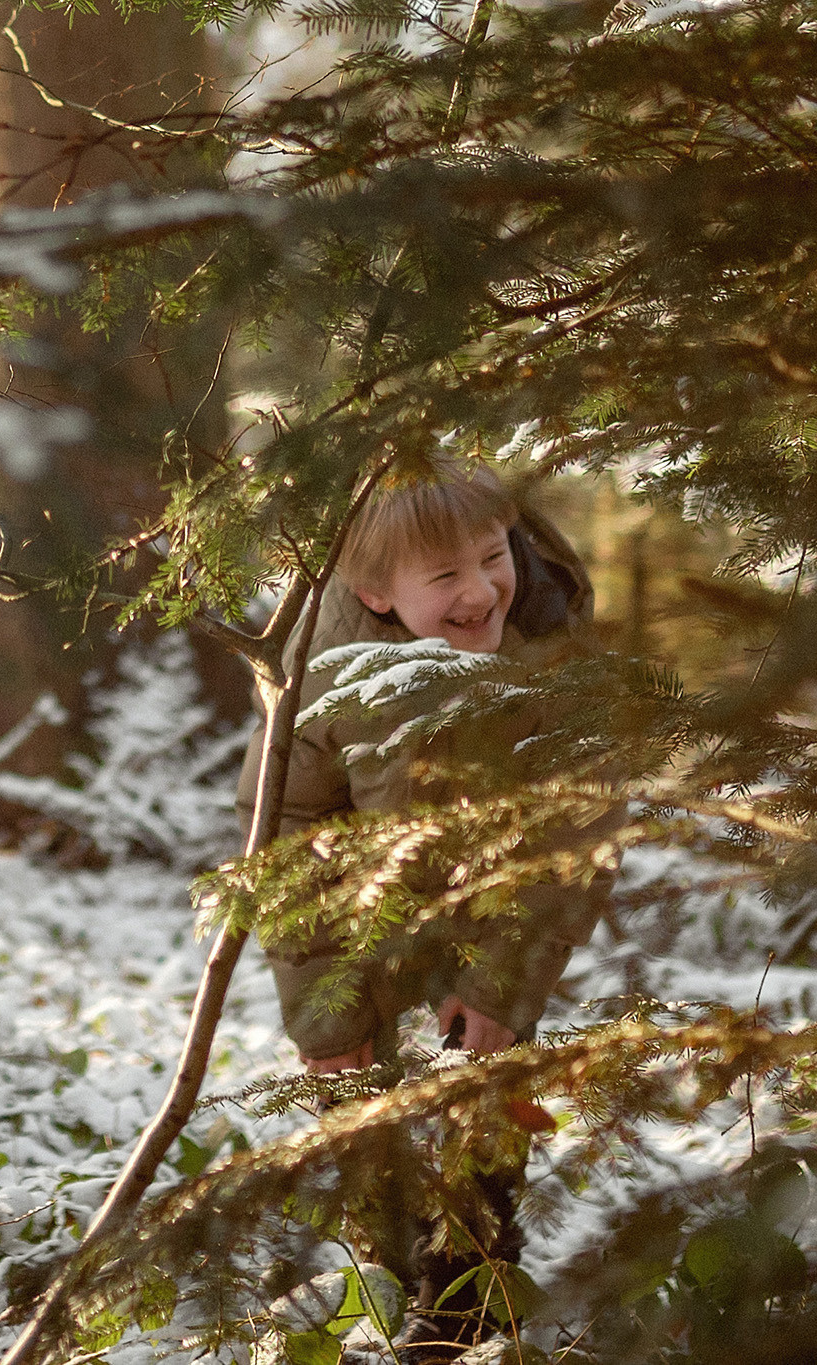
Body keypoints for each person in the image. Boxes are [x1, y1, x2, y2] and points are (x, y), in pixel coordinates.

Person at [235, 453, 615, 1358]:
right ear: (375, 593)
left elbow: (578, 827)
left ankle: (468, 1308)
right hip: (366, 931)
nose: (481, 590)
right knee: (373, 1132)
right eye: (445, 575)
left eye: (494, 556)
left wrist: (498, 985)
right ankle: (388, 1273)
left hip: (498, 922)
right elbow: (285, 827)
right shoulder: (322, 668)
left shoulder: (550, 649)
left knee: (479, 1111)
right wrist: (326, 1011)